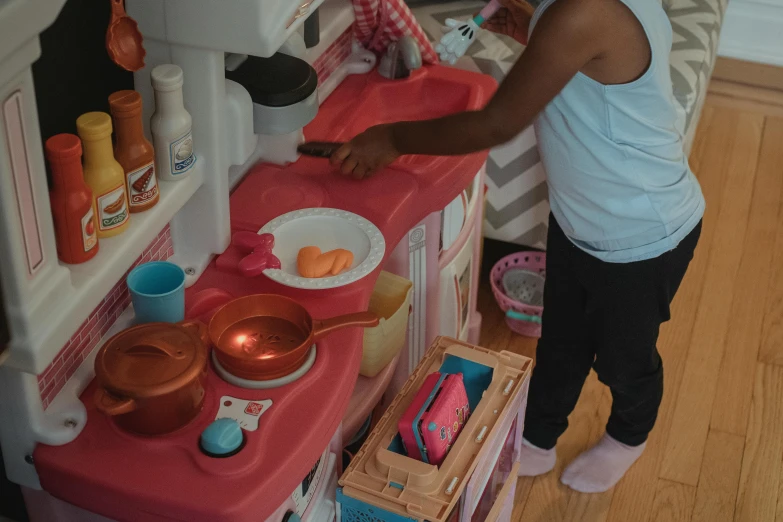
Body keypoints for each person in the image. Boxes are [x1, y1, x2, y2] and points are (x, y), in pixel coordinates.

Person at [331, 0, 704, 493]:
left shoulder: (584, 12)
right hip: (581, 222)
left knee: (624, 358)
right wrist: (538, 33)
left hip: (642, 235)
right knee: (562, 341)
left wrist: (392, 138)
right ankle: (539, 437)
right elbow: (599, 65)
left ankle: (628, 436)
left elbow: (496, 124)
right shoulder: (571, 16)